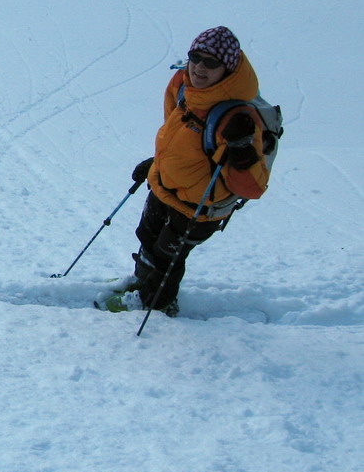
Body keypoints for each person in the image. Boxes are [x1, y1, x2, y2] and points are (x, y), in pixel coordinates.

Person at [101, 26, 272, 316]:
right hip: (165, 187)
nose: (200, 67)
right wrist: (157, 163)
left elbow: (251, 188)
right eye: (196, 57)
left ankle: (156, 305)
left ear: (227, 69)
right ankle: (143, 283)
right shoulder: (185, 91)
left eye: (211, 62)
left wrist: (242, 149)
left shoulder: (236, 117)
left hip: (200, 208)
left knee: (167, 258)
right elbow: (178, 141)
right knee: (147, 237)